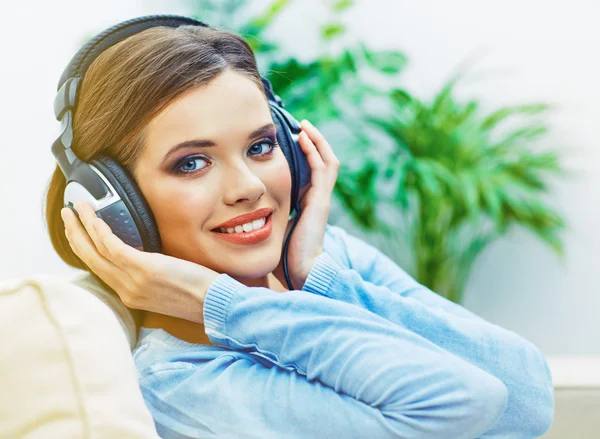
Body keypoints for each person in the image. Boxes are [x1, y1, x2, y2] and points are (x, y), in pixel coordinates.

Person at [46, 16, 554, 439]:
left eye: (261, 147)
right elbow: (465, 401)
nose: (247, 186)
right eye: (192, 163)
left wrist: (315, 276)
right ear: (116, 204)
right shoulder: (184, 386)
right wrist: (220, 304)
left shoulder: (326, 262)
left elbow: (528, 399)